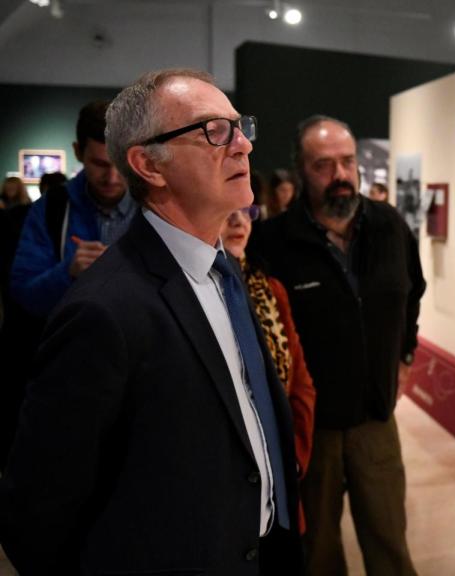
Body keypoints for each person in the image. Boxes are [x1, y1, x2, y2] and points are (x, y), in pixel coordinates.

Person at [0, 68, 302, 573]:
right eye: (213, 131)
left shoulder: (224, 269)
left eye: (239, 125)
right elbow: (35, 512)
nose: (243, 146)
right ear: (148, 164)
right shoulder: (103, 312)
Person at [248, 115, 425, 575]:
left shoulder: (391, 228)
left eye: (347, 162)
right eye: (324, 165)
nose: (341, 175)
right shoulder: (273, 242)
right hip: (312, 430)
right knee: (318, 552)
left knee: (390, 545)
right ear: (301, 171)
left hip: (375, 422)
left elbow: (413, 293)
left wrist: (405, 354)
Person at [221, 202, 316, 533]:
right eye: (227, 209)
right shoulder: (198, 291)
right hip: (225, 480)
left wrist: (294, 453)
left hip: (278, 467)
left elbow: (301, 381)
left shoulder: (270, 288)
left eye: (247, 211)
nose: (238, 220)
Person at [9, 100, 135, 319]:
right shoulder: (51, 208)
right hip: (70, 346)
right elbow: (23, 293)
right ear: (78, 152)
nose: (112, 178)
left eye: (120, 164)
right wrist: (68, 272)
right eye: (100, 164)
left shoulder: (156, 205)